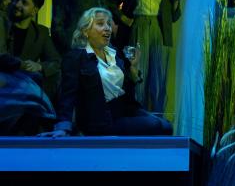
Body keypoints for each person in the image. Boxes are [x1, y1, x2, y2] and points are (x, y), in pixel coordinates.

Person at [42, 7, 172, 136]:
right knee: (155, 125)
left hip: (126, 109)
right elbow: (67, 96)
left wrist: (133, 72)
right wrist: (63, 127)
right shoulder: (76, 57)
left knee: (167, 126)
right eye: (100, 24)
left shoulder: (114, 54)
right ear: (86, 31)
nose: (107, 28)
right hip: (102, 119)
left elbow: (125, 90)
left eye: (109, 24)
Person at [107, 0, 187, 113]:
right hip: (138, 26)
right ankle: (137, 115)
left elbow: (174, 17)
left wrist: (177, 0)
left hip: (161, 29)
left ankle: (157, 117)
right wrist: (124, 19)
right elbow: (111, 2)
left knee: (159, 77)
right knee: (137, 72)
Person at [2, 0, 61, 100]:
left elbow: (56, 62)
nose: (17, 4)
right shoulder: (3, 24)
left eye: (24, 3)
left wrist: (39, 66)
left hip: (23, 89)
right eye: (17, 0)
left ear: (34, 11)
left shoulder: (41, 33)